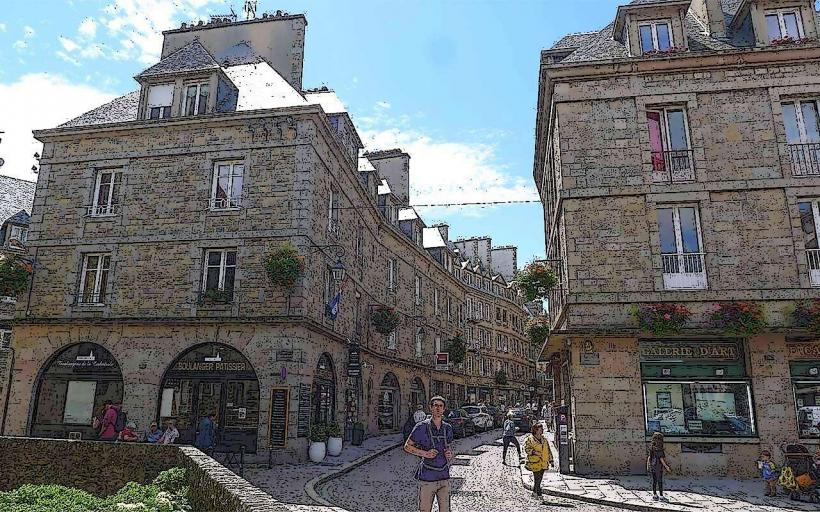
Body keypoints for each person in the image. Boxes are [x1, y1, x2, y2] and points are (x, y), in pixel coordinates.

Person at [404, 395, 455, 512]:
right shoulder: (421, 427)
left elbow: (449, 446)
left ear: (444, 409)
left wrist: (450, 453)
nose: (438, 408)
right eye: (435, 405)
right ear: (430, 408)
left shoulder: (447, 428)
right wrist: (425, 454)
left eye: (440, 406)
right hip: (427, 477)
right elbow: (407, 446)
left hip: (444, 476)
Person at [525, 423, 553, 498]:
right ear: (536, 430)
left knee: (539, 479)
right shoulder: (530, 439)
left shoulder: (544, 439)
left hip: (543, 462)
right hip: (535, 462)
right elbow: (526, 449)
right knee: (537, 478)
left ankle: (534, 493)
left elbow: (548, 450)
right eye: (541, 429)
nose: (542, 430)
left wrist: (551, 460)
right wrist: (534, 452)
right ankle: (539, 495)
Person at [647, 432, 672, 501]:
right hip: (658, 467)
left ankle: (654, 495)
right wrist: (666, 467)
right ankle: (661, 496)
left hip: (653, 466)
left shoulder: (652, 448)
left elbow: (649, 457)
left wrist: (648, 465)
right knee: (660, 481)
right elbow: (661, 459)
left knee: (654, 481)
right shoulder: (660, 449)